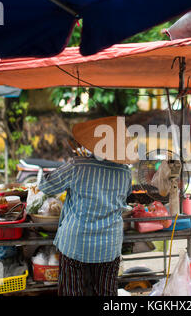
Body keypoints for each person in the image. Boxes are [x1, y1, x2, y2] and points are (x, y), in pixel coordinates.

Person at [38, 116, 136, 296]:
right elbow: (125, 198)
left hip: (76, 243)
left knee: (72, 292)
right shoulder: (125, 173)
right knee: (106, 293)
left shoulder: (77, 165)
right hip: (109, 245)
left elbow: (45, 186)